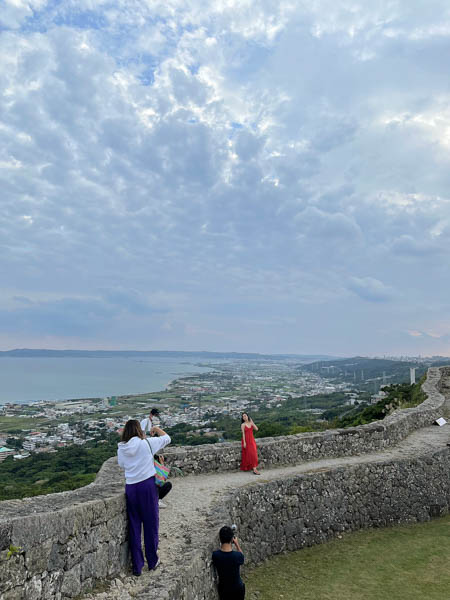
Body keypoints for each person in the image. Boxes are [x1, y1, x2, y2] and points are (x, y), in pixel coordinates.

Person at [117, 419, 171, 576]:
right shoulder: (147, 443)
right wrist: (156, 428)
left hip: (131, 487)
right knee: (151, 524)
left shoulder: (122, 448)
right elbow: (167, 438)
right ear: (139, 430)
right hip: (147, 486)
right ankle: (152, 561)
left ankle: (137, 566)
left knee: (134, 526)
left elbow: (122, 464)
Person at [140, 410, 171, 508]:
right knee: (154, 476)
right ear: (151, 414)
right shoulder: (145, 422)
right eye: (155, 415)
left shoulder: (152, 422)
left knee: (156, 474)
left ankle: (156, 497)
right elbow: (141, 433)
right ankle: (156, 499)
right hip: (147, 447)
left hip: (151, 447)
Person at [212, 526, 245, 600]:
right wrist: (237, 544)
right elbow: (242, 557)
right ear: (231, 539)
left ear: (220, 539)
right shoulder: (237, 556)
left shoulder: (215, 555)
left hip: (224, 590)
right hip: (238, 588)